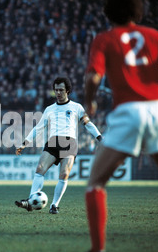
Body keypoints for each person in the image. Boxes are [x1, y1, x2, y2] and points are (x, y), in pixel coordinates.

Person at [75, 0, 158, 252]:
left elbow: (94, 77)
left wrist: (90, 101)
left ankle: (97, 251)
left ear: (108, 12)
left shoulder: (104, 39)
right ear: (138, 10)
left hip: (129, 112)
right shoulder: (154, 36)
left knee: (95, 183)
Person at [15, 76, 102, 214]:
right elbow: (38, 128)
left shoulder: (76, 107)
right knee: (39, 168)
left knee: (64, 175)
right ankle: (30, 201)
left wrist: (99, 137)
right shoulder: (49, 109)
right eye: (56, 90)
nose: (58, 93)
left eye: (61, 90)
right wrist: (24, 143)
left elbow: (88, 124)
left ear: (67, 90)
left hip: (69, 143)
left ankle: (54, 205)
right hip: (53, 142)